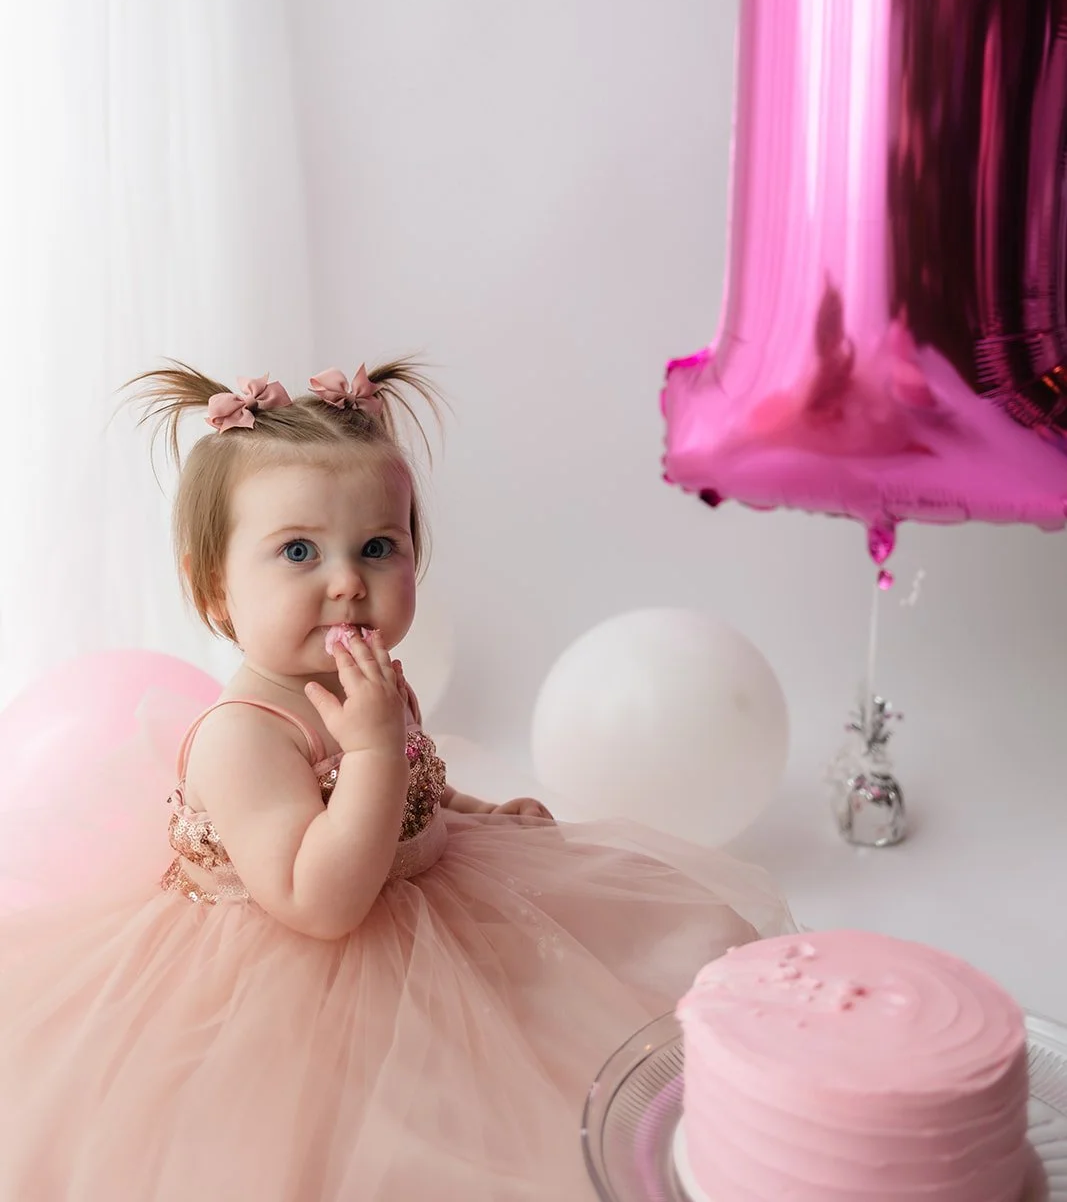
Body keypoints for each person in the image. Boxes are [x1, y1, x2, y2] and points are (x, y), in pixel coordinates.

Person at [0, 357, 791, 1201]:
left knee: (561, 1027)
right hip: (297, 976)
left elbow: (416, 786)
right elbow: (319, 901)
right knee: (357, 1137)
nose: (347, 581)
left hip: (429, 914)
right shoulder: (245, 738)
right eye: (298, 552)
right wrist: (373, 753)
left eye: (378, 546)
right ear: (215, 588)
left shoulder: (375, 684)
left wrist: (475, 808)